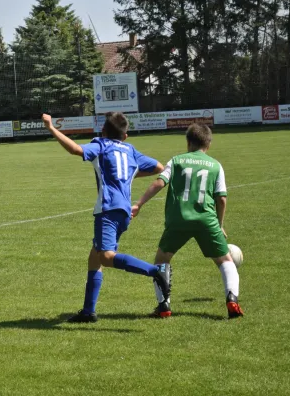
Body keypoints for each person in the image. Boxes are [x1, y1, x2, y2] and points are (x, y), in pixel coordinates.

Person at [41, 112, 172, 323]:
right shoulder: (130, 150)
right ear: (125, 136)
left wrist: (51, 128)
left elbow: (76, 149)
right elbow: (160, 167)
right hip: (124, 211)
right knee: (94, 257)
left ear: (103, 131)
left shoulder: (101, 145)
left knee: (106, 257)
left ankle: (155, 271)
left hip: (108, 210)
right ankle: (88, 312)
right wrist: (126, 175)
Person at [131, 123, 244, 319]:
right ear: (208, 144)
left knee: (162, 260)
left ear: (188, 142)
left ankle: (164, 305)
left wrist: (139, 204)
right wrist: (220, 224)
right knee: (225, 260)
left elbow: (160, 182)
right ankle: (232, 299)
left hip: (178, 219)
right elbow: (222, 198)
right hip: (206, 219)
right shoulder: (216, 165)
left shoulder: (176, 161)